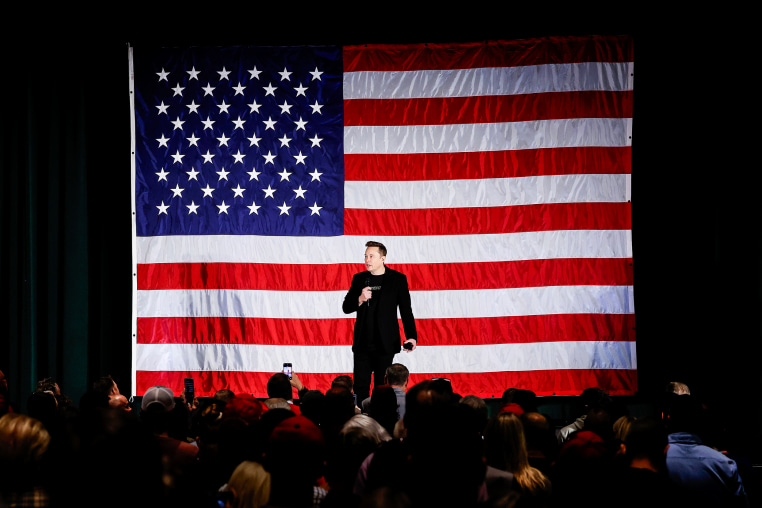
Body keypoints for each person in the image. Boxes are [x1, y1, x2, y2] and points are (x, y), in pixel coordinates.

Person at [342, 241, 417, 405]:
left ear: (383, 258)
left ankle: (380, 421)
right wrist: (360, 298)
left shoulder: (397, 279)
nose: (367, 260)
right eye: (365, 256)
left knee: (381, 387)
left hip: (385, 343)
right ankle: (361, 421)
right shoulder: (359, 279)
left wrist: (411, 336)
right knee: (361, 386)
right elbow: (346, 307)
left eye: (371, 256)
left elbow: (406, 310)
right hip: (363, 343)